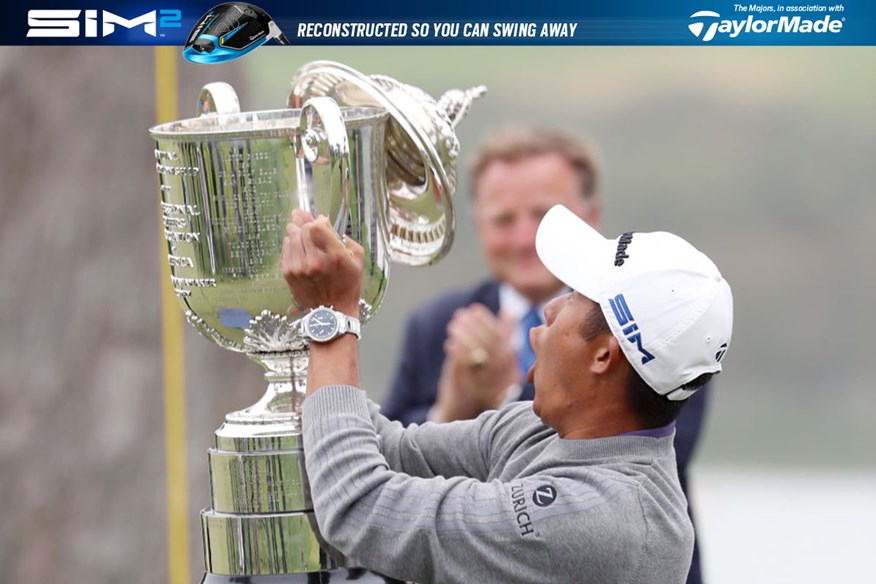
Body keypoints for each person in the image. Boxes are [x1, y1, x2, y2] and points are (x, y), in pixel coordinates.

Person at [280, 204, 733, 584]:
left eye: (575, 296)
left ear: (603, 356)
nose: (552, 307)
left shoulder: (606, 520)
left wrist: (334, 318)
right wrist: (319, 316)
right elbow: (388, 451)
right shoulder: (544, 428)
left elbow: (360, 508)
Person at [381, 126, 711, 583]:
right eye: (502, 220)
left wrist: (506, 395)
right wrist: (453, 409)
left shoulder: (661, 324)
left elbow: (645, 458)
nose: (522, 239)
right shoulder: (436, 324)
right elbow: (390, 452)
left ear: (591, 217)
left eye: (540, 217)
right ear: (477, 225)